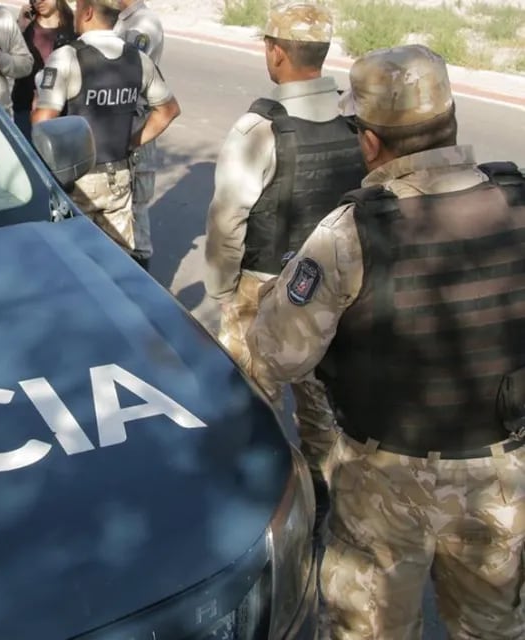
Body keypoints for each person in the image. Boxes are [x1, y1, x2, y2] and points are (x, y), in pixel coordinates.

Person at [248, 43, 525, 639]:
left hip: (384, 486)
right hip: (500, 481)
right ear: (452, 121)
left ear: (369, 142)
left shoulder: (351, 233)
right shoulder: (518, 203)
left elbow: (278, 353)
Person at [204, 1, 366, 529]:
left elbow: (228, 219)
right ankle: (324, 506)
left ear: (275, 52)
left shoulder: (261, 129)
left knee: (250, 408)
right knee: (322, 414)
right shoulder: (354, 126)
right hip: (333, 290)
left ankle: (260, 519)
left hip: (264, 288)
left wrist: (223, 291)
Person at [32, 0, 180, 269]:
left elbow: (43, 121)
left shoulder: (68, 56)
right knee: (119, 264)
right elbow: (168, 110)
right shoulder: (138, 59)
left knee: (71, 262)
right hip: (118, 178)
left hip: (78, 180)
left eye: (78, 8)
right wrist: (131, 143)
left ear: (87, 12)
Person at [114, 0, 164, 269]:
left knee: (136, 208)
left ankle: (143, 276)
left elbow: (125, 71)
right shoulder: (122, 19)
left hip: (136, 125)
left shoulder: (144, 23)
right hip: (119, 125)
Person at [12, 0, 77, 140]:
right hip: (25, 105)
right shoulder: (26, 26)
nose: (39, 2)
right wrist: (20, 29)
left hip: (61, 109)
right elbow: (13, 60)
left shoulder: (73, 25)